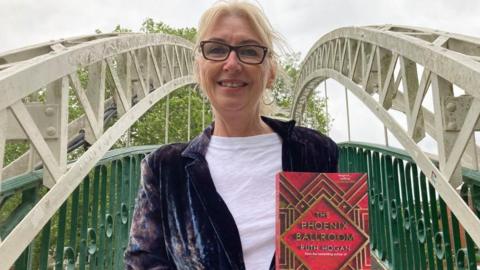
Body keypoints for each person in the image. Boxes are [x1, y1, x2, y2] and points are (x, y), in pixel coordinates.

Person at [124, 1, 338, 269]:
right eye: (215, 49)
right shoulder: (165, 168)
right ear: (199, 68)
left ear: (270, 71)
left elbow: (336, 253)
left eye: (249, 51)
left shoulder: (315, 152)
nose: (232, 63)